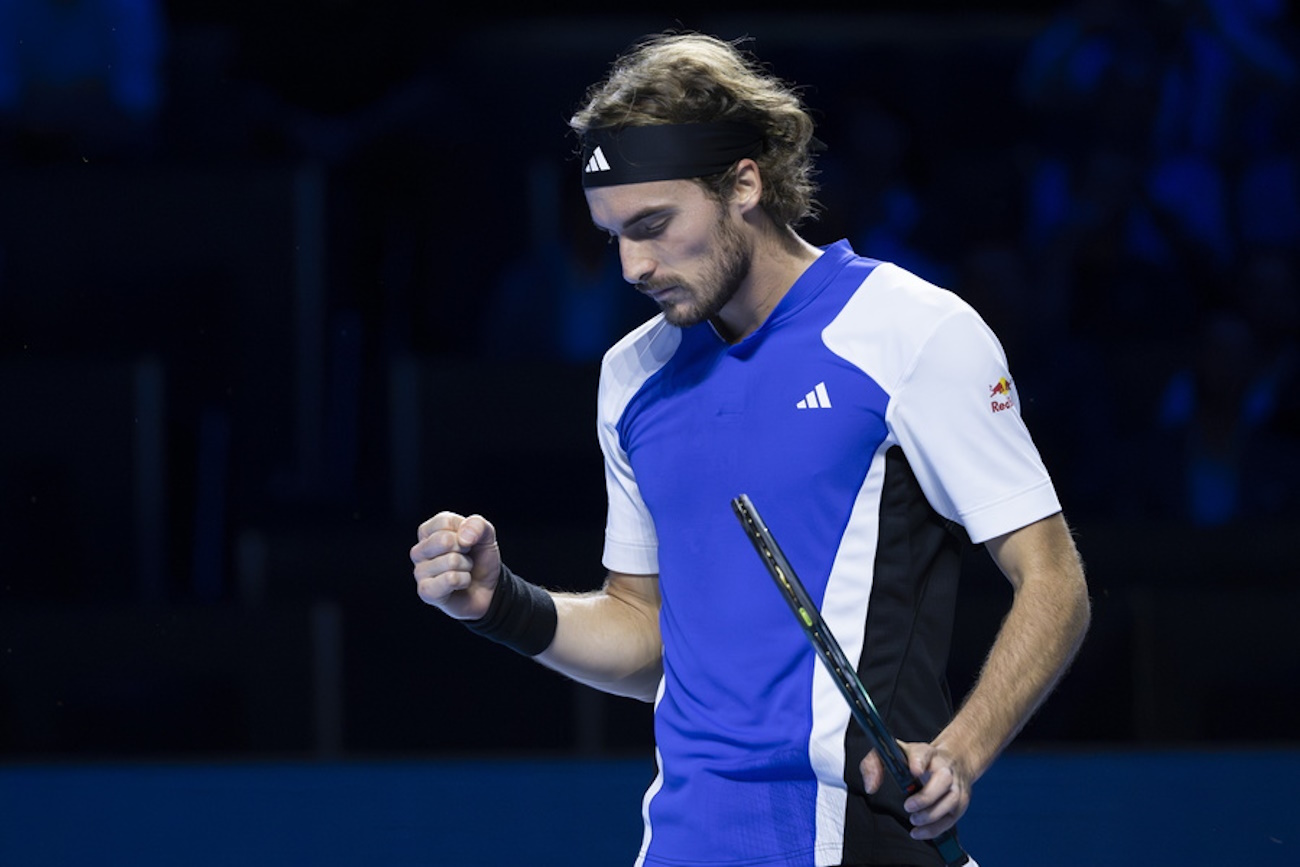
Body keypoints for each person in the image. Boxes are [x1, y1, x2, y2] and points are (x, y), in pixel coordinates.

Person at [411, 32, 1090, 867]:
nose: (631, 264)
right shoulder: (632, 376)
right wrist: (500, 602)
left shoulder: (914, 333)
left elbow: (1053, 578)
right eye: (612, 233)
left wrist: (964, 746)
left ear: (744, 183)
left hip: (859, 839)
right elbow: (647, 634)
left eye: (654, 225)